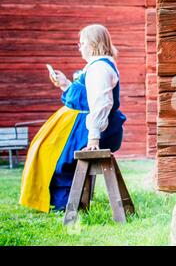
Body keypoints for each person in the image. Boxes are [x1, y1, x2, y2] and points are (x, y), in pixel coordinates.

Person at [19, 24, 126, 212]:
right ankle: (60, 200)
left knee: (56, 155)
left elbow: (101, 104)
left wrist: (93, 137)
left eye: (82, 43)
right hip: (84, 127)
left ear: (93, 44)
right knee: (44, 148)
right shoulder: (94, 66)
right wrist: (65, 84)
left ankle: (66, 202)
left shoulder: (100, 67)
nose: (80, 47)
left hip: (95, 129)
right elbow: (84, 98)